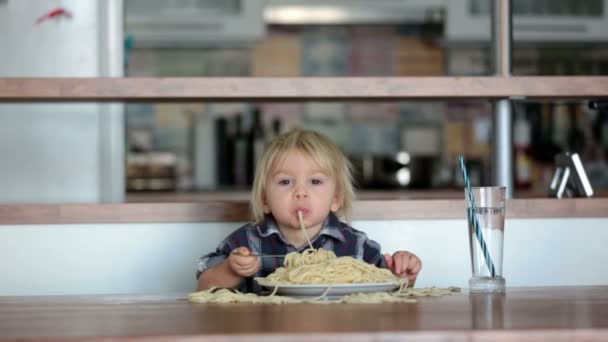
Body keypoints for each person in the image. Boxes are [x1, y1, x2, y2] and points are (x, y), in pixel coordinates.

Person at [196, 129, 422, 293]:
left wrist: (404, 273)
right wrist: (231, 270)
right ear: (265, 200)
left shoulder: (357, 246)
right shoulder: (245, 243)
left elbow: (391, 286)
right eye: (285, 182)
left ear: (336, 199)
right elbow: (203, 286)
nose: (300, 192)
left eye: (315, 181)